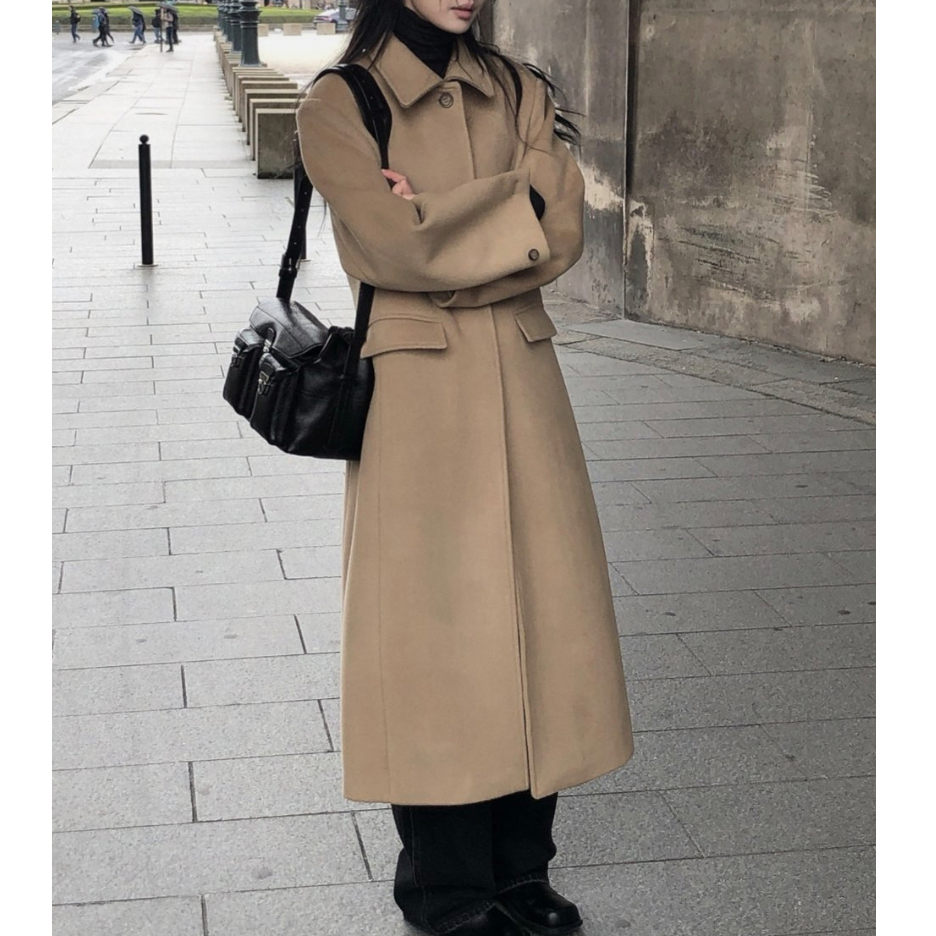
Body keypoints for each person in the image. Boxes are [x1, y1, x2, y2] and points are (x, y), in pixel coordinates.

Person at [296, 3, 634, 935]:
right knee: (435, 641)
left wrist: (434, 220)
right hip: (418, 403)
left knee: (542, 625)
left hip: (525, 387)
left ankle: (523, 872)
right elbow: (390, 245)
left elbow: (559, 235)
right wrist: (497, 212)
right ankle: (444, 888)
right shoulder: (340, 102)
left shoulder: (520, 89)